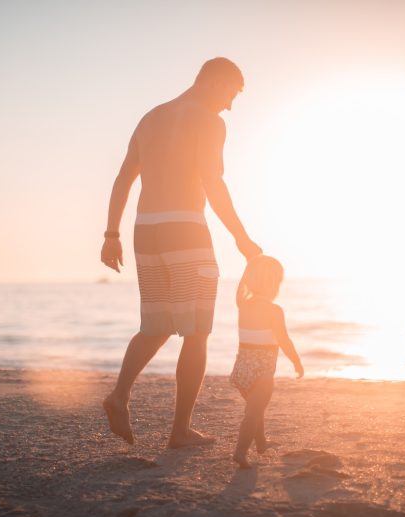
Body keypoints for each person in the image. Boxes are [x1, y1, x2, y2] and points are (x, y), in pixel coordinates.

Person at [100, 58, 262, 448]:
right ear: (214, 81)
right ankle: (179, 432)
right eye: (230, 94)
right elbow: (213, 183)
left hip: (146, 230)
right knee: (197, 331)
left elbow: (124, 177)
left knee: (155, 326)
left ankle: (119, 395)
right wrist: (241, 237)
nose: (229, 106)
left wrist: (111, 234)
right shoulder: (208, 121)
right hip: (185, 229)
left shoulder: (151, 117)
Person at [230, 255, 304, 468]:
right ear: (274, 285)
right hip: (262, 370)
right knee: (253, 413)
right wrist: (296, 361)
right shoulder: (274, 310)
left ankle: (261, 443)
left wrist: (248, 267)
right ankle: (240, 452)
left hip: (242, 369)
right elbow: (283, 339)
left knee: (256, 408)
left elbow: (240, 288)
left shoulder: (243, 304)